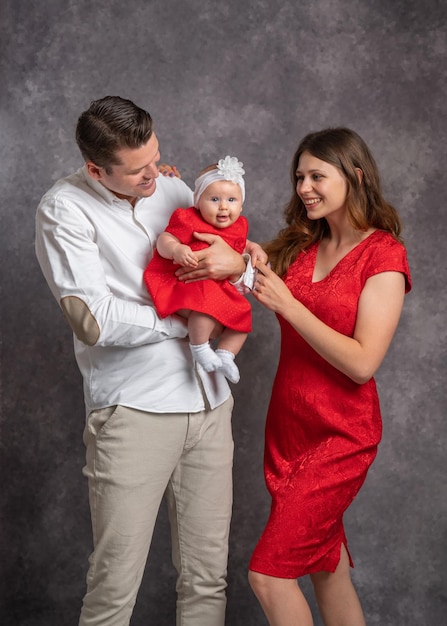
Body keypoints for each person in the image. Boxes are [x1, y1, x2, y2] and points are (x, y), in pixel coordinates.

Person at [35, 95, 266, 626]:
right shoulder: (64, 209)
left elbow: (232, 273)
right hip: (133, 413)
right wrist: (185, 317)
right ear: (96, 168)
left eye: (154, 157)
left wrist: (237, 269)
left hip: (210, 403)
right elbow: (93, 319)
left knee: (208, 578)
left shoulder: (176, 189)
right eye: (136, 170)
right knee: (115, 585)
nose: (152, 176)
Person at [247, 127, 412, 626]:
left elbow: (363, 362)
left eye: (317, 175)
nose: (304, 187)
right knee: (328, 568)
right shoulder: (299, 244)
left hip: (340, 436)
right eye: (299, 176)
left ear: (355, 176)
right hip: (287, 431)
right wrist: (170, 192)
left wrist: (288, 305)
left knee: (269, 576)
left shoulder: (383, 255)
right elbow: (231, 255)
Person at [144, 155, 254, 384]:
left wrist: (254, 250)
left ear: (241, 204)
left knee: (242, 317)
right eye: (214, 199)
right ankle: (200, 347)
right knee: (205, 309)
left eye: (232, 200)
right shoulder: (188, 219)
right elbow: (165, 239)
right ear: (197, 200)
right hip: (191, 282)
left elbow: (241, 246)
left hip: (221, 287)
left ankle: (226, 355)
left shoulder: (239, 226)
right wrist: (175, 249)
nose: (224, 206)